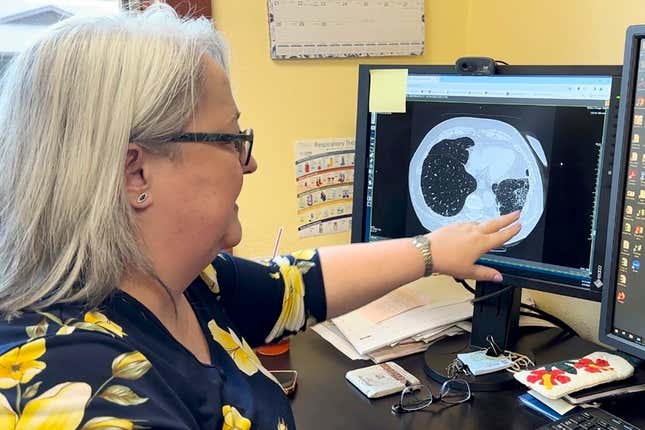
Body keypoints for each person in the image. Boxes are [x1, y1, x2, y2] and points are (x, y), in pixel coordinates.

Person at [0, 4, 520, 430]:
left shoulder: (181, 285)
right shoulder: (79, 391)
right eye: (230, 139)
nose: (250, 162)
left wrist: (433, 252)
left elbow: (294, 285)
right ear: (136, 174)